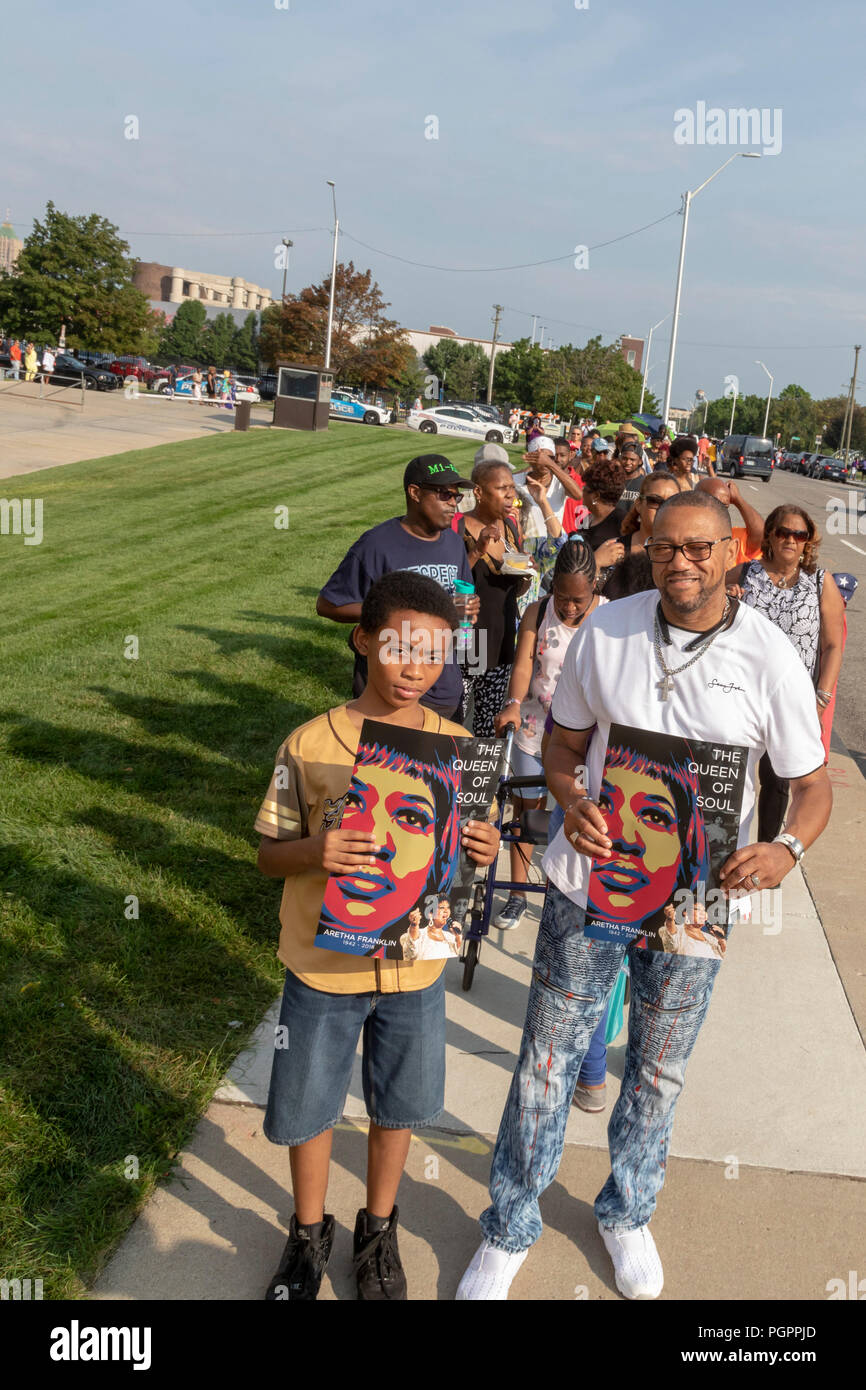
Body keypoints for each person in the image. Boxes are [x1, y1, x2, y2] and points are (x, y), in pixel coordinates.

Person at [457, 487, 831, 1301]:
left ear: (732, 551)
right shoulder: (606, 629)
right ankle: (510, 1225)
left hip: (696, 897)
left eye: (699, 548)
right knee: (547, 1060)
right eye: (665, 549)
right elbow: (561, 748)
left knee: (658, 1069)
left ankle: (626, 1211)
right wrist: (571, 799)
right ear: (646, 551)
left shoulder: (769, 656)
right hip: (585, 883)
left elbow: (811, 786)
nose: (681, 563)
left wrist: (786, 849)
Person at [257, 570, 500, 1301]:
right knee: (307, 1106)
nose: (414, 669)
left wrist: (479, 848)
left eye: (434, 656)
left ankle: (378, 1230)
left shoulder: (458, 748)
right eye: (398, 648)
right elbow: (270, 853)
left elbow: (456, 858)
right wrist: (314, 853)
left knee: (398, 1104)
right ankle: (306, 1236)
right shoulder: (309, 743)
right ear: (364, 640)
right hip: (322, 969)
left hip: (413, 973)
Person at [492, 538, 605, 932]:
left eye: (578, 599)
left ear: (595, 587)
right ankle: (518, 894)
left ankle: (579, 895)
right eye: (562, 597)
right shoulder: (538, 612)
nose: (570, 607)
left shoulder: (609, 617)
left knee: (582, 813)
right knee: (525, 811)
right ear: (552, 586)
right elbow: (525, 663)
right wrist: (512, 701)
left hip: (581, 742)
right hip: (534, 726)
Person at [317, 455, 478, 721]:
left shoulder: (453, 542)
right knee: (386, 762)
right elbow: (328, 604)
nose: (453, 503)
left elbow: (462, 601)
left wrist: (468, 608)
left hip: (444, 685)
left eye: (456, 496)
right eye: (444, 495)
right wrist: (390, 612)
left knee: (440, 762)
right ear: (414, 493)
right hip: (392, 691)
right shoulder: (377, 544)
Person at [726, 505, 845, 841]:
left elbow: (833, 645)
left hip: (793, 701)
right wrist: (726, 597)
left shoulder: (821, 582)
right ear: (771, 536)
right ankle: (724, 845)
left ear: (808, 541)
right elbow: (709, 596)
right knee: (733, 775)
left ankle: (765, 854)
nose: (791, 539)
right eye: (783, 532)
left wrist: (821, 698)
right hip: (741, 695)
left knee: (778, 782)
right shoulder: (746, 574)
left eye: (800, 534)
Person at [456, 457, 534, 734]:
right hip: (468, 642)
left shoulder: (510, 529)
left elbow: (515, 590)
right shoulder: (458, 528)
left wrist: (526, 575)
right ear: (478, 492)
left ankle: (478, 777)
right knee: (456, 719)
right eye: (502, 488)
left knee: (488, 727)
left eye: (512, 488)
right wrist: (477, 551)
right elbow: (450, 580)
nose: (510, 495)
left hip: (501, 643)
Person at [604, 471, 680, 600]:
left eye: (672, 502)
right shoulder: (612, 550)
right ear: (639, 504)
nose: (663, 508)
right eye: (655, 501)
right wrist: (596, 564)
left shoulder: (686, 554)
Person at [696, 476, 763, 563]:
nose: (720, 510)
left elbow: (760, 535)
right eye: (714, 503)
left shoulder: (730, 538)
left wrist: (738, 499)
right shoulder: (681, 533)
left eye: (724, 506)